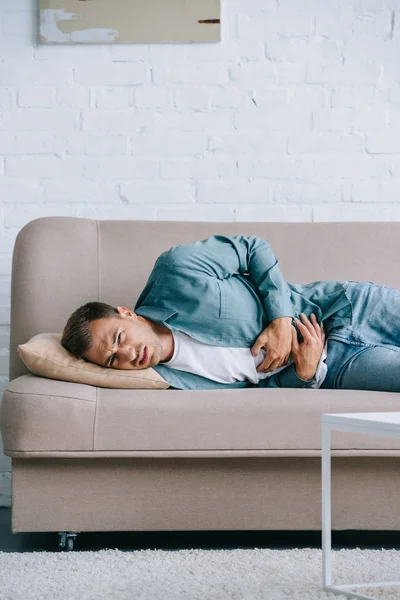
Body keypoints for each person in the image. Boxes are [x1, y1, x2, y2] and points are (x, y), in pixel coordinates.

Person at [61, 234, 400, 392]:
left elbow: (254, 248)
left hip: (347, 306)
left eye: (119, 338)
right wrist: (305, 374)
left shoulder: (175, 272)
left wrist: (280, 320)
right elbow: (263, 388)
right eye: (112, 360)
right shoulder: (175, 385)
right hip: (337, 365)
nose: (127, 354)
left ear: (126, 314)